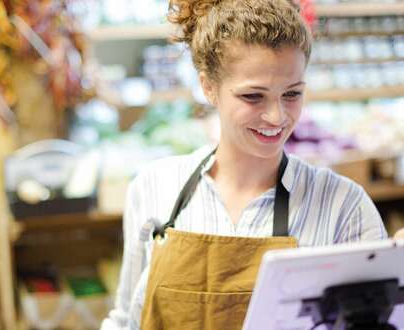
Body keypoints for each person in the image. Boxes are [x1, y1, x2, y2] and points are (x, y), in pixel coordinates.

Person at [101, 0, 387, 329]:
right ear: (208, 86)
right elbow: (126, 319)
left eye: (292, 94)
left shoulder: (344, 207)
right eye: (253, 96)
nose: (277, 117)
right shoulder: (155, 187)